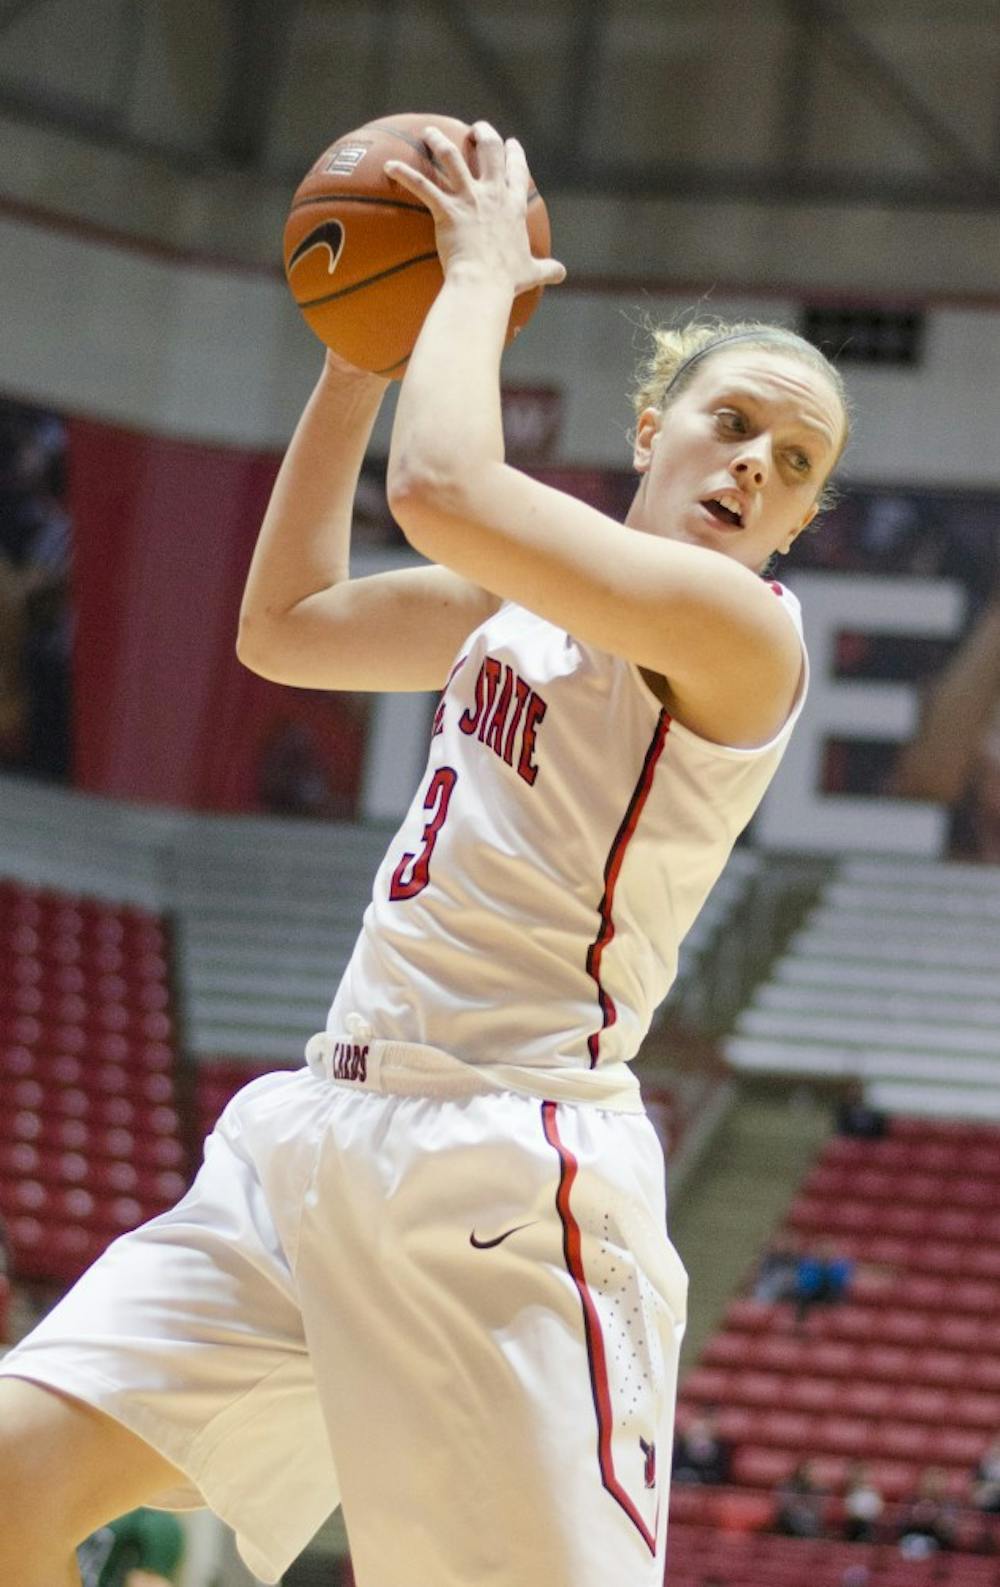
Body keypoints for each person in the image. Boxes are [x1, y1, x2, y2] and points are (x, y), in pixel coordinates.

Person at [0, 121, 850, 1587]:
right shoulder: (510, 600)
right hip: (319, 1135)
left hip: (507, 1184)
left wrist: (467, 268)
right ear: (652, 427)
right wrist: (358, 357)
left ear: (796, 521)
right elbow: (286, 625)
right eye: (734, 423)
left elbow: (445, 486)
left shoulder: (745, 635)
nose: (756, 465)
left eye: (796, 463)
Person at [672, 1409, 733, 1485]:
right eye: (696, 1432)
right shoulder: (677, 1452)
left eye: (704, 1432)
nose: (700, 1437)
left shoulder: (722, 1455)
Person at [774, 1460, 827, 1539]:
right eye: (805, 1471)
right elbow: (785, 1507)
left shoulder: (819, 1490)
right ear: (798, 1471)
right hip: (789, 1525)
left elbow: (818, 1511)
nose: (808, 1474)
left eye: (810, 1472)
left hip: (810, 1525)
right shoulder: (787, 1486)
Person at [842, 1461, 885, 1544]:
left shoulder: (873, 1493)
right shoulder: (848, 1492)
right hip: (852, 1527)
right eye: (860, 1475)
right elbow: (846, 1512)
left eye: (864, 1474)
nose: (862, 1477)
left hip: (869, 1525)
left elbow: (879, 1511)